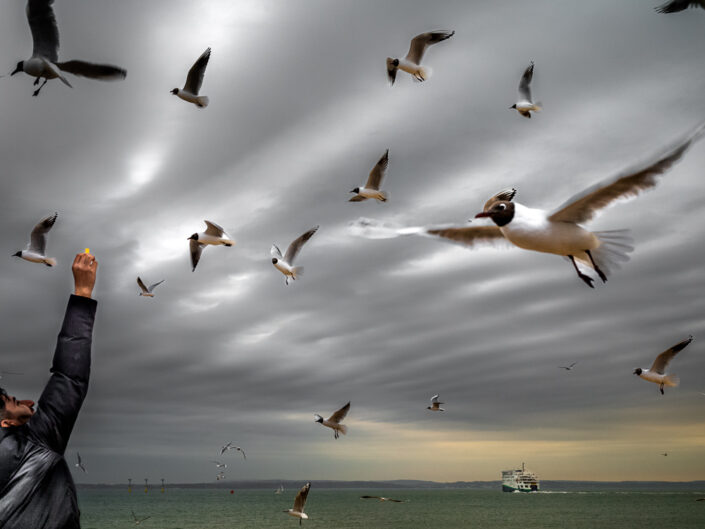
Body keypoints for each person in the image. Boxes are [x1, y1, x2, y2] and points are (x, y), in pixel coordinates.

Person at [0, 252, 98, 529]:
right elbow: (69, 377)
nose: (21, 400)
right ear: (5, 422)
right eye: (12, 400)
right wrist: (82, 292)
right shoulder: (34, 446)